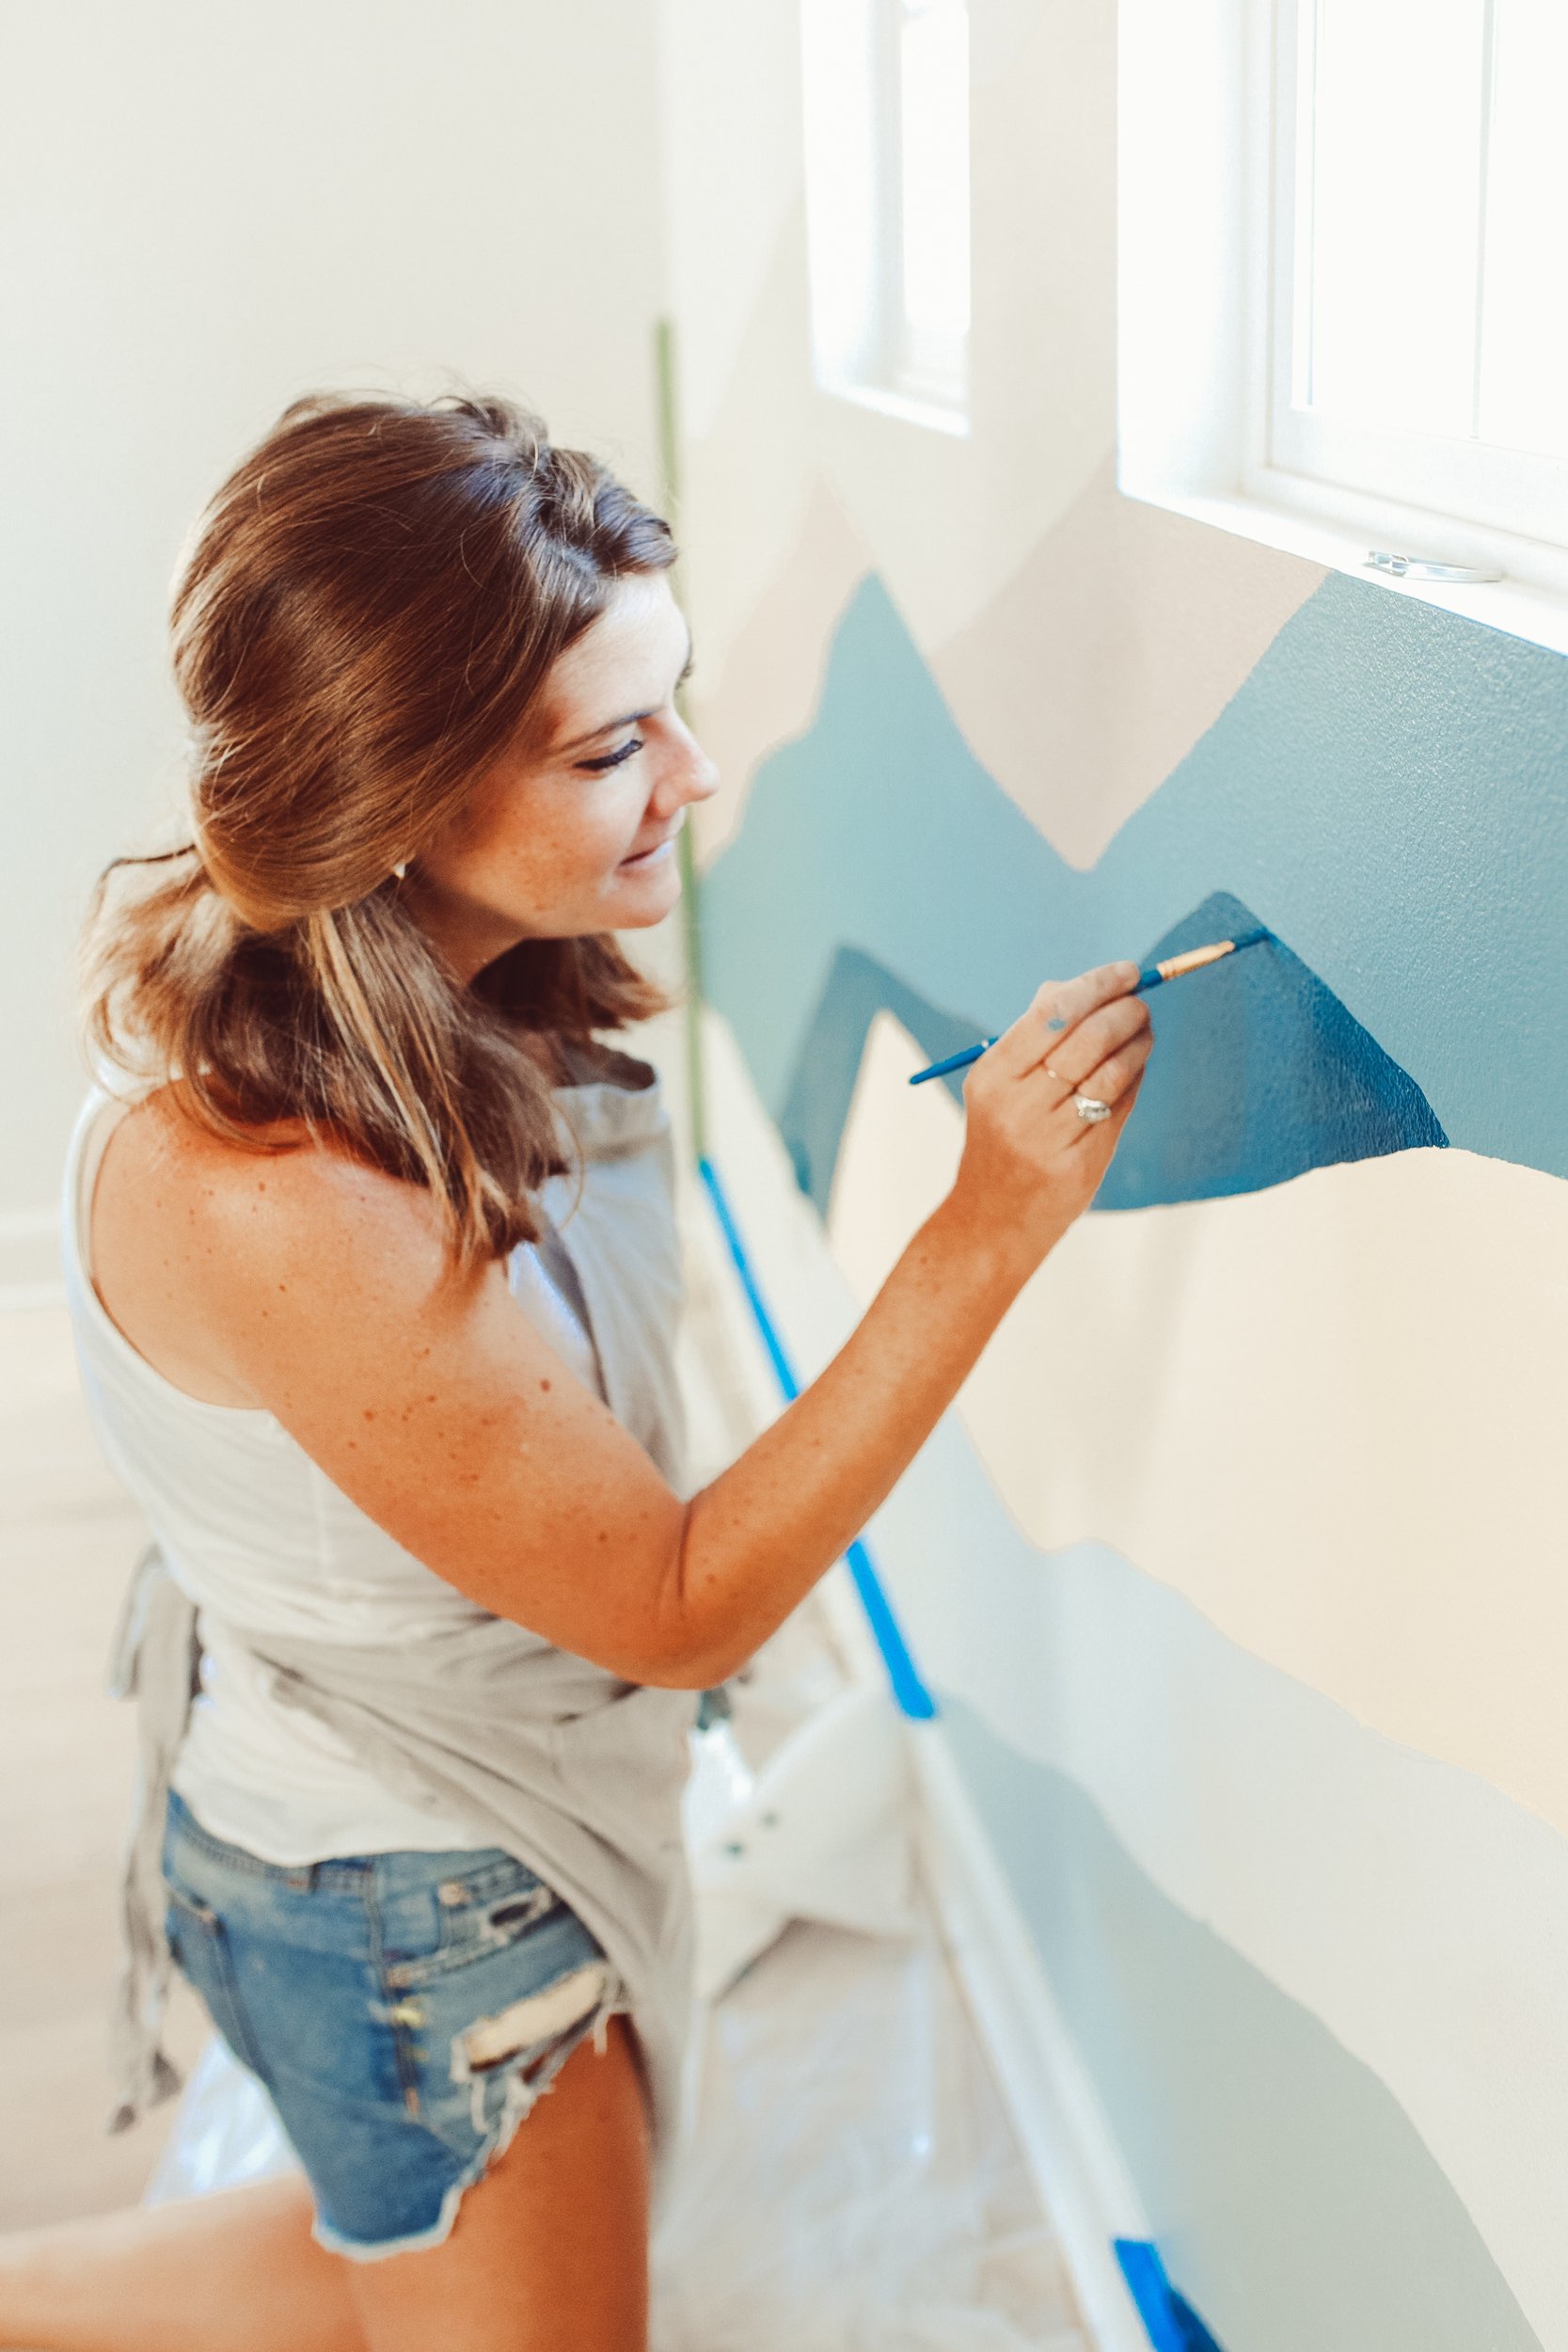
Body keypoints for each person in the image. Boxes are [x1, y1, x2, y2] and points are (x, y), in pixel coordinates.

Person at [0, 391, 1152, 2352]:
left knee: (389, 2276)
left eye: (673, 702)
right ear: (397, 801)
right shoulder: (285, 1191)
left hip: (365, 1847)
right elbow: (681, 1602)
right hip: (418, 1918)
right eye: (618, 746)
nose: (693, 777)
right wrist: (989, 1225)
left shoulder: (400, 966)